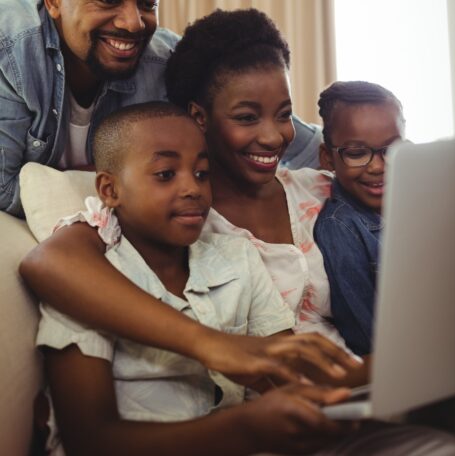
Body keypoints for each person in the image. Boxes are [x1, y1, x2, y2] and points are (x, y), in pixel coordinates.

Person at [38, 101, 355, 455]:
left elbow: (281, 376)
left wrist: (328, 400)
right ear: (110, 190)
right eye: (165, 174)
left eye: (202, 173)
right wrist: (245, 428)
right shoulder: (87, 286)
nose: (192, 188)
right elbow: (90, 442)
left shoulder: (238, 257)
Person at [0, 0, 319, 217]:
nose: (133, 23)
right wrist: (134, 177)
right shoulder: (10, 49)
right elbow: (4, 190)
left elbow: (310, 148)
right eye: (109, 0)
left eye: (147, 3)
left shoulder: (165, 61)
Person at [314, 81, 405, 356]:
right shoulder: (340, 229)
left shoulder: (419, 196)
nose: (378, 166)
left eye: (392, 149)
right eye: (357, 153)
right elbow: (370, 340)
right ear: (328, 158)